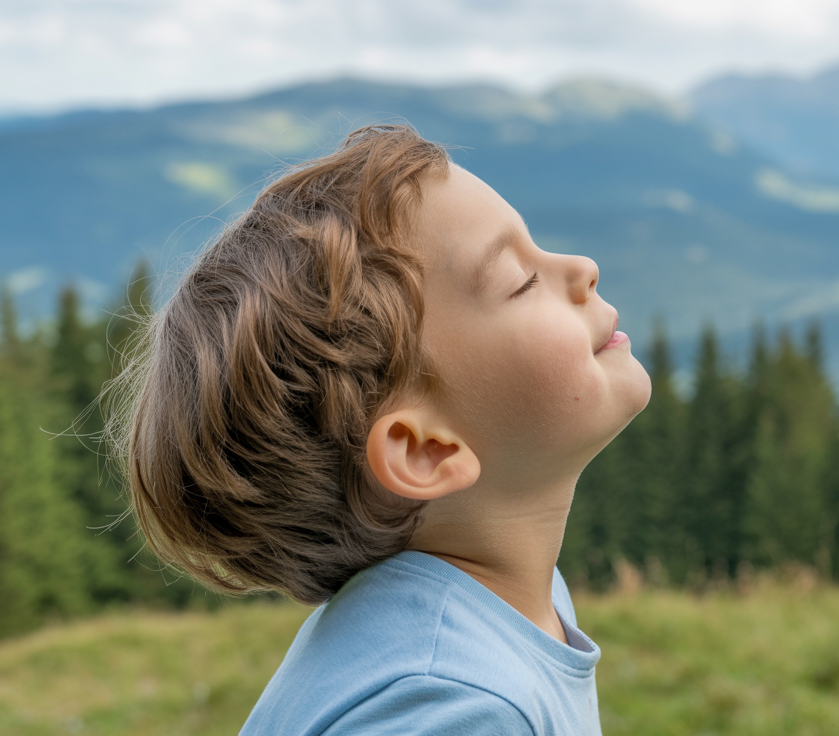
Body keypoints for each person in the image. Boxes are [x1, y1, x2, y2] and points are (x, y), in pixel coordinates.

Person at [119, 124, 652, 734]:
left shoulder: (512, 602)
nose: (583, 267)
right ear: (424, 449)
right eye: (520, 280)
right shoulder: (452, 707)